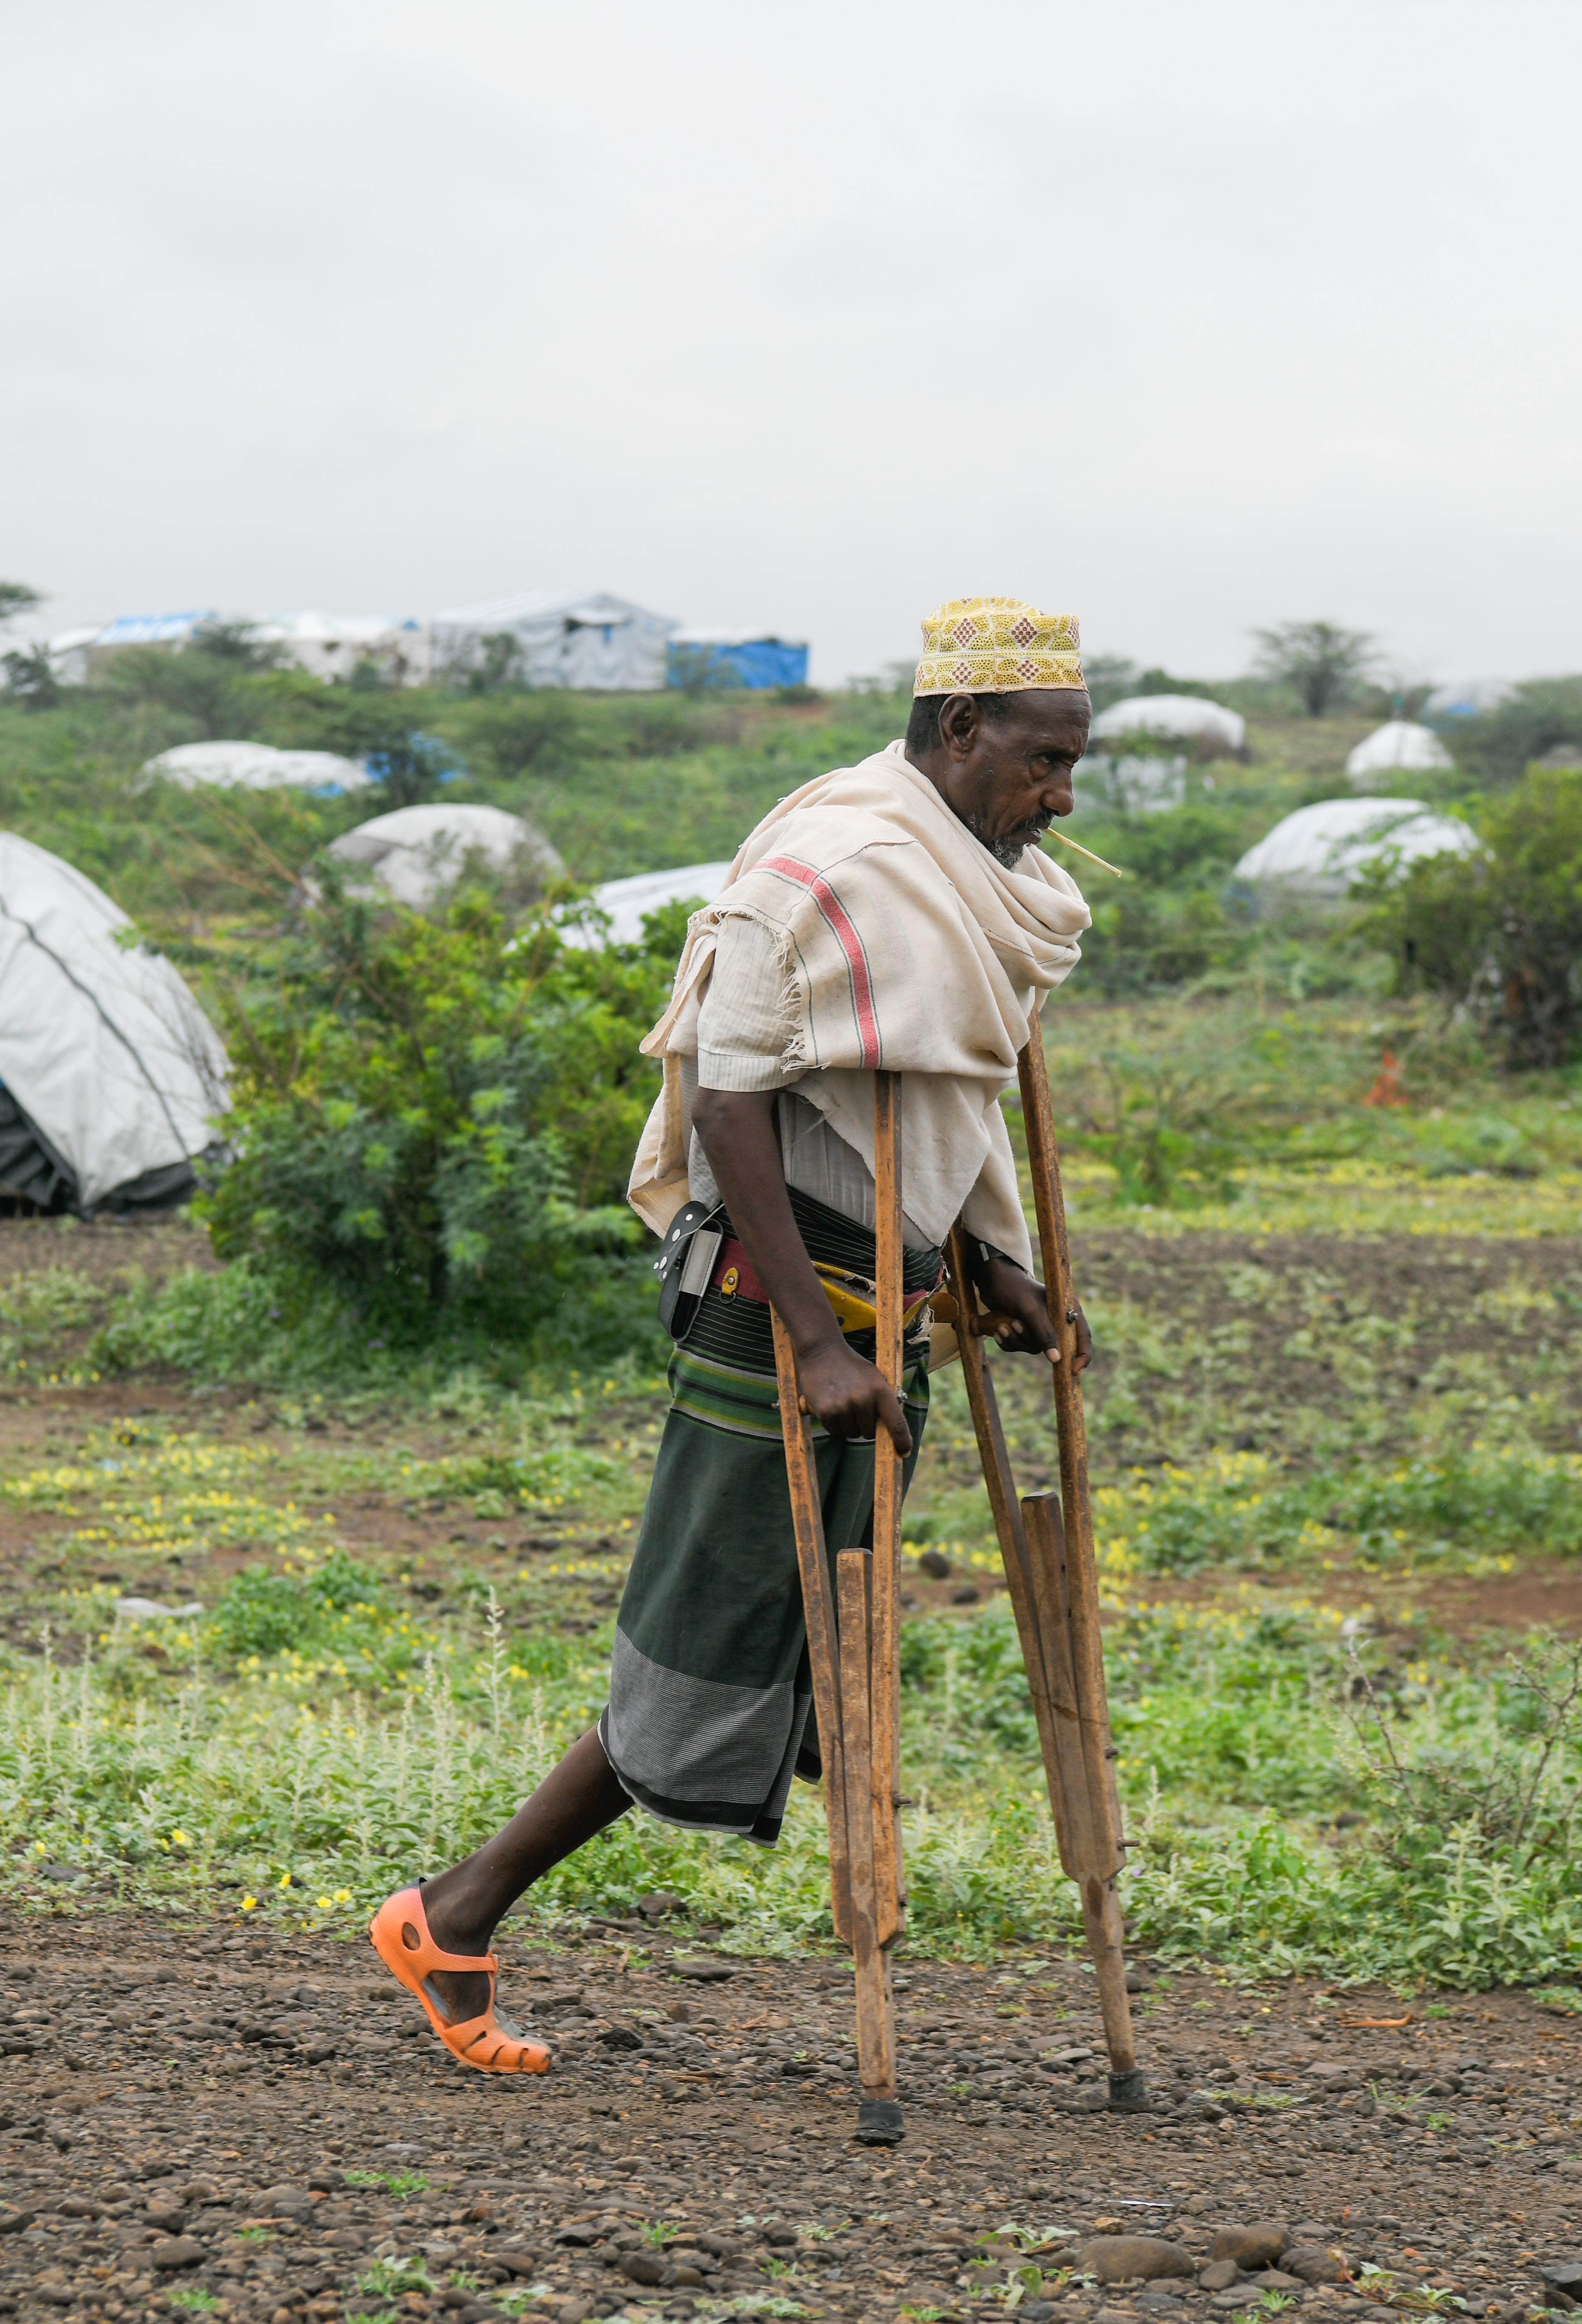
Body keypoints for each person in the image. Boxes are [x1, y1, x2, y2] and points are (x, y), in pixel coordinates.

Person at [371, 597, 1099, 2073]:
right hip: (777, 1313)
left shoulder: (968, 879)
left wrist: (989, 1256)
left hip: (881, 1306)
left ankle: (455, 1911)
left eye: (1076, 764)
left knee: (797, 1639)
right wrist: (824, 1352)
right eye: (1042, 759)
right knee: (715, 1648)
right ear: (962, 730)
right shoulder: (830, 868)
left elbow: (911, 1101)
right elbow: (731, 1098)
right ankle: (453, 1913)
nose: (1062, 796)